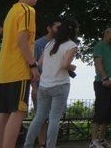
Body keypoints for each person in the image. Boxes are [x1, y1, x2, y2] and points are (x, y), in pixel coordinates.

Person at [0, 0, 40, 148]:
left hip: (5, 70)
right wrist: (33, 65)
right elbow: (22, 40)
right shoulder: (28, 10)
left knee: (1, 113)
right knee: (18, 111)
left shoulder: (11, 12)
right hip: (19, 68)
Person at [23, 18, 79, 148]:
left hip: (44, 85)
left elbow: (40, 63)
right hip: (60, 84)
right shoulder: (71, 45)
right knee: (54, 119)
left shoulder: (50, 43)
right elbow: (65, 64)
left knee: (39, 117)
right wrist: (72, 67)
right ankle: (50, 145)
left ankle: (28, 144)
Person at [31, 18, 61, 146]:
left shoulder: (60, 44)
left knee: (52, 118)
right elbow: (32, 66)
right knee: (41, 117)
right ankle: (42, 143)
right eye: (57, 27)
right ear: (49, 28)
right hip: (41, 86)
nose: (60, 30)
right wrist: (34, 87)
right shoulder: (38, 44)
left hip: (55, 85)